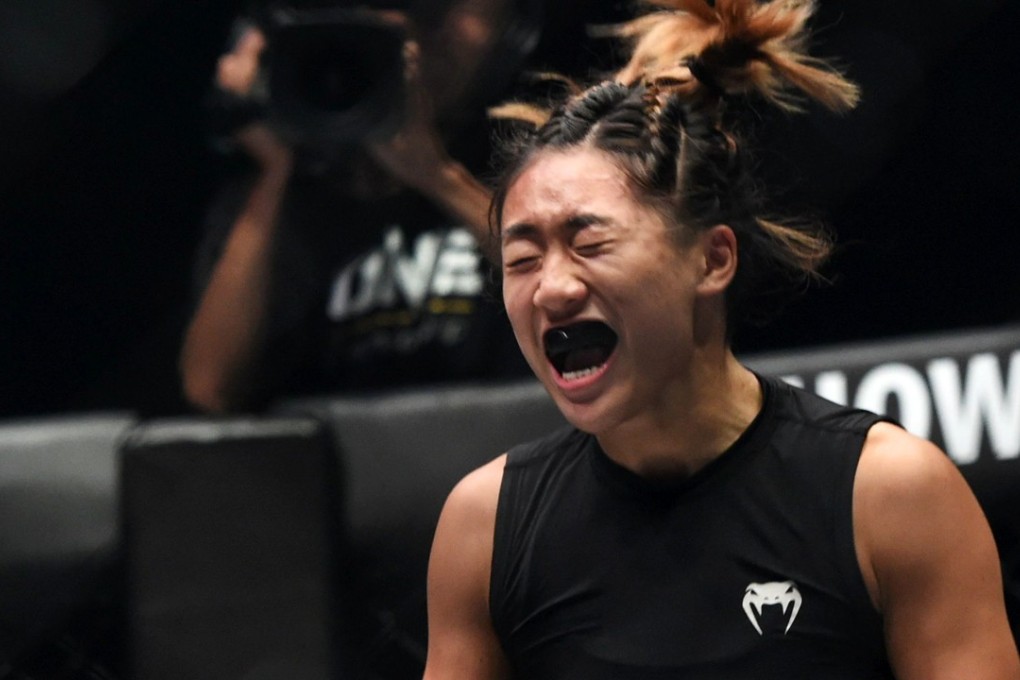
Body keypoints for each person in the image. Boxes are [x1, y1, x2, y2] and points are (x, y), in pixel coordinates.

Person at [422, 0, 1020, 678]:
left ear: (712, 260)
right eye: (522, 259)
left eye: (590, 244)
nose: (551, 288)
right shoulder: (485, 526)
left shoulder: (888, 493)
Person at [179, 1, 534, 413]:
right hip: (339, 447)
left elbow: (571, 281)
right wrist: (274, 168)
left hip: (505, 431)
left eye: (430, 21)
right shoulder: (280, 205)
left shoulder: (520, 162)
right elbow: (211, 388)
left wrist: (437, 176)